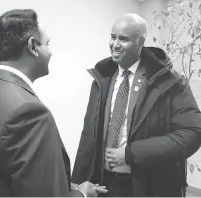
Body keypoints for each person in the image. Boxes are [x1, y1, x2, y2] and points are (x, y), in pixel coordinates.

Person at [0, 9, 108, 197]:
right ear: (32, 47)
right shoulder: (30, 113)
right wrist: (83, 193)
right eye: (47, 43)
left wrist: (67, 186)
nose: (51, 52)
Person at [71, 13, 201, 197]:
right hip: (103, 183)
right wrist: (77, 182)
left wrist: (132, 153)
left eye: (123, 39)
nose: (115, 44)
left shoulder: (170, 82)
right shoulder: (101, 79)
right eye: (113, 37)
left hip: (149, 187)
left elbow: (192, 133)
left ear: (140, 43)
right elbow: (88, 134)